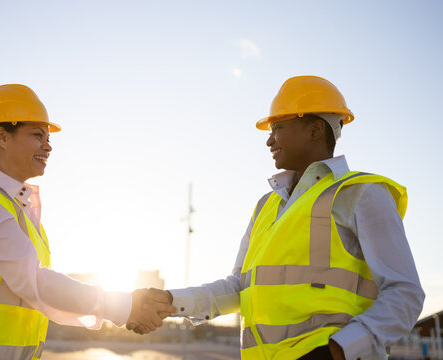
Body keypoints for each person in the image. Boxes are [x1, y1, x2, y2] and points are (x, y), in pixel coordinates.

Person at [158, 76, 425, 359]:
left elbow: (405, 293)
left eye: (278, 128)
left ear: (314, 129)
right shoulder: (266, 205)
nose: (269, 140)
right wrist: (169, 301)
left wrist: (337, 351)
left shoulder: (362, 194)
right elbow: (238, 288)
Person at [0, 84, 175, 360]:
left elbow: (40, 298)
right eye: (37, 135)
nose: (48, 146)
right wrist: (126, 306)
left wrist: (126, 308)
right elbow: (35, 282)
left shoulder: (15, 210)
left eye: (48, 138)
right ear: (2, 136)